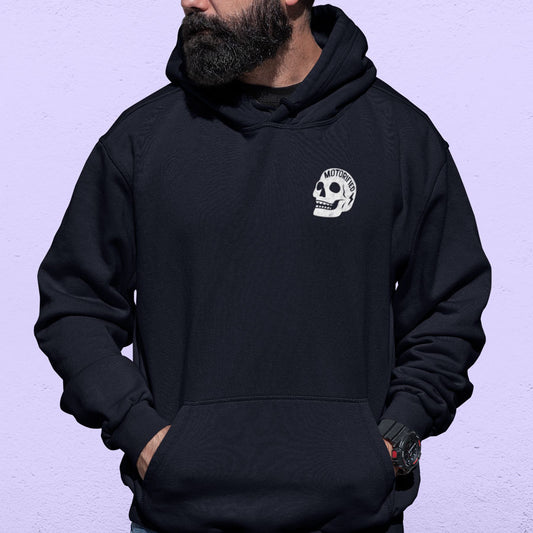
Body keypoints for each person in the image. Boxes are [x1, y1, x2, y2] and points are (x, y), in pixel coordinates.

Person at [33, 1, 492, 532]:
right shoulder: (142, 140)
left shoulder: (398, 138)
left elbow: (448, 309)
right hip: (180, 518)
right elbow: (74, 306)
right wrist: (141, 432)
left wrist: (397, 435)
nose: (189, 1)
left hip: (354, 519)